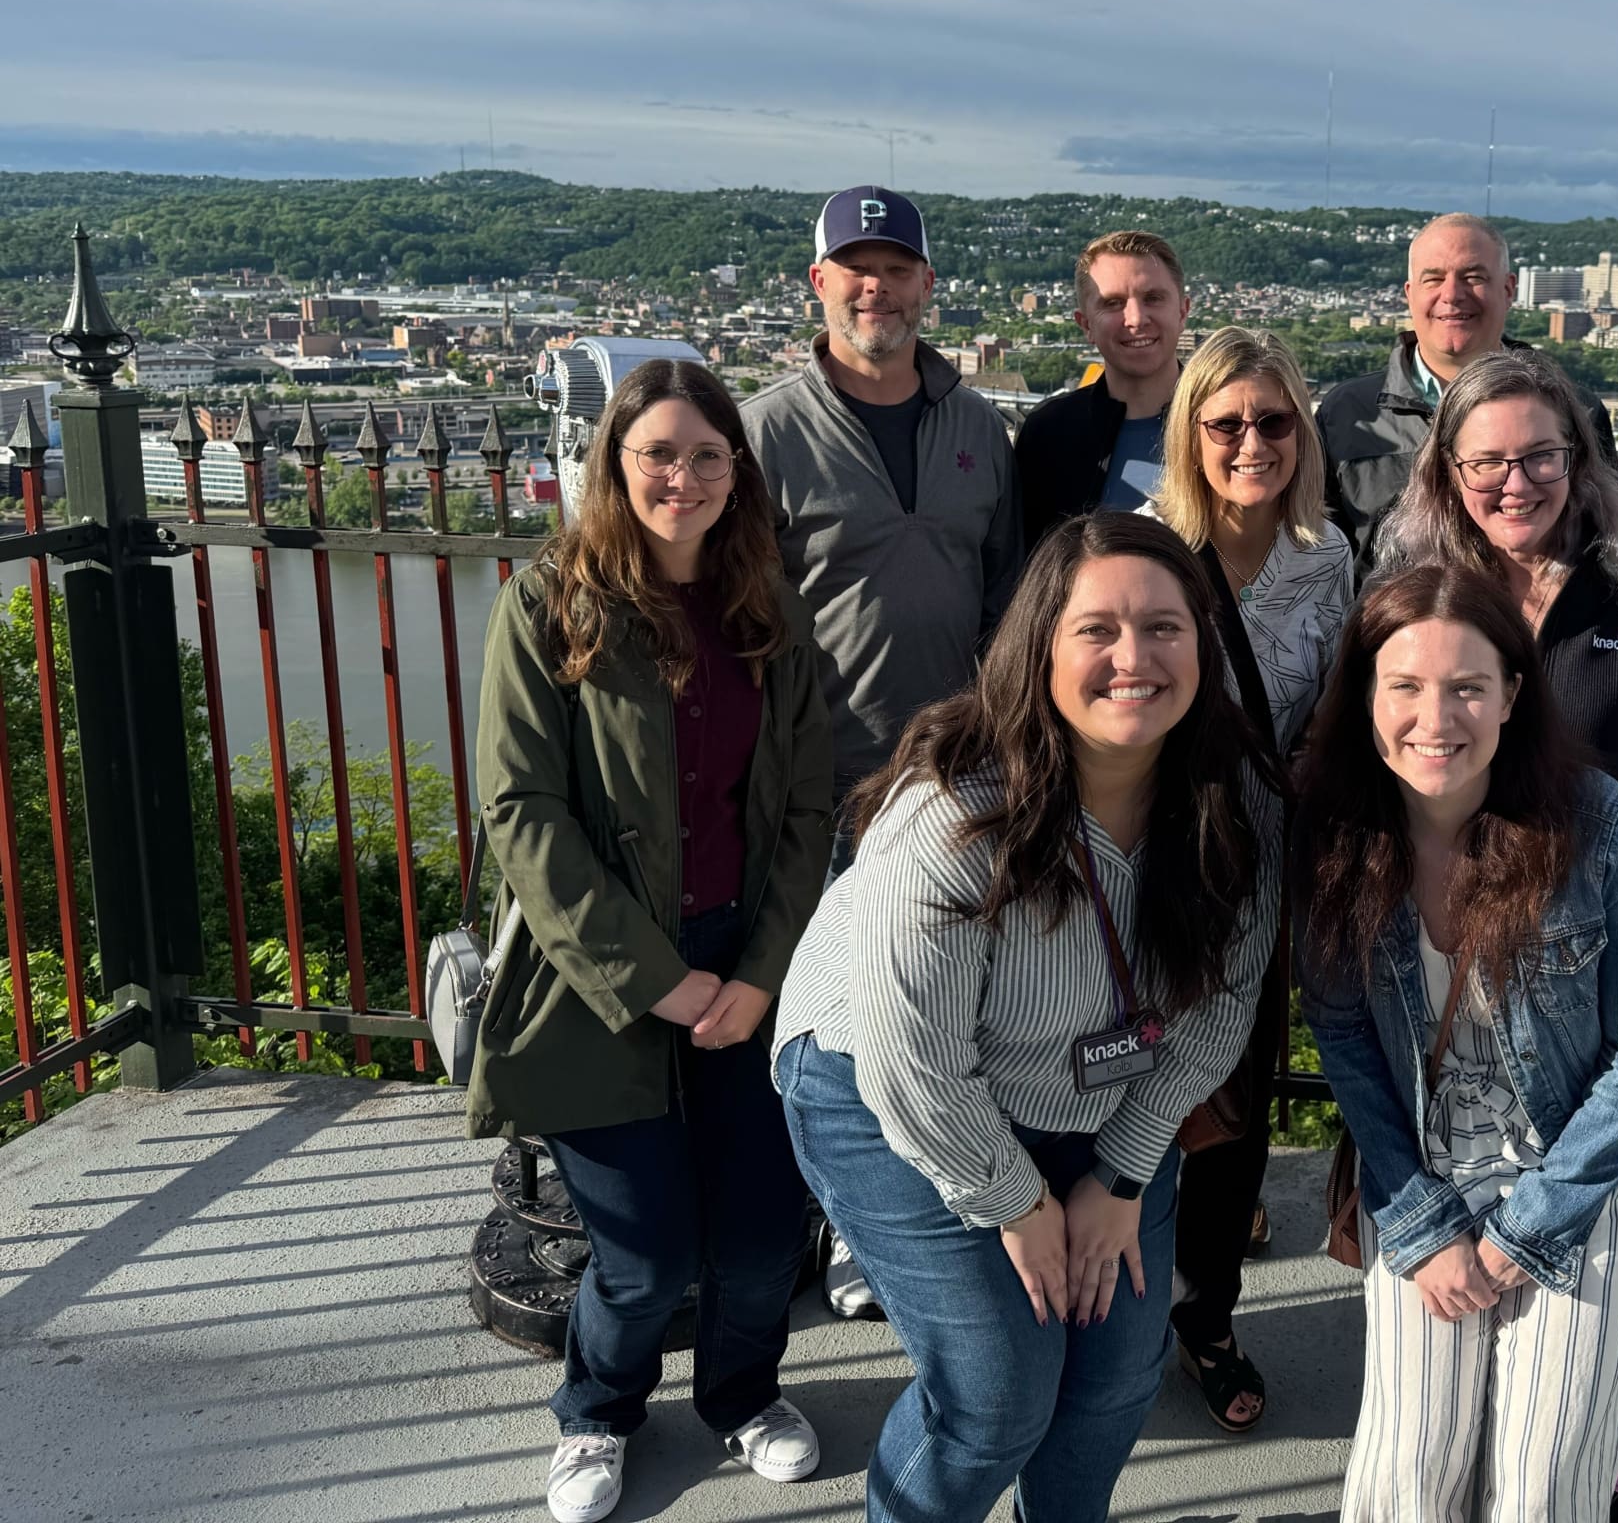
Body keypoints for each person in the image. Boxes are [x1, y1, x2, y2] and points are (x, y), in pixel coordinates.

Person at [771, 513, 1281, 1523]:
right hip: (888, 1094)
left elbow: (1221, 1014)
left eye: (1163, 627)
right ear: (1038, 648)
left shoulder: (1241, 800)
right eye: (1096, 630)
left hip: (1100, 1099)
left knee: (1117, 1372)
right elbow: (914, 1067)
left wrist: (1120, 1177)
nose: (1133, 658)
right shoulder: (951, 815)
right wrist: (1019, 1203)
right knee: (998, 1393)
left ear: (1204, 643)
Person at [468, 359, 836, 1523]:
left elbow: (807, 812)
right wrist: (658, 981)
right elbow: (522, 809)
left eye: (707, 455)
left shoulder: (767, 610)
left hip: (744, 959)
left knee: (763, 1233)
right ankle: (598, 1410)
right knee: (645, 1253)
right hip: (598, 978)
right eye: (659, 454)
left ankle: (743, 1394)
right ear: (614, 465)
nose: (684, 477)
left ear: (738, 470)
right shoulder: (548, 605)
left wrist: (759, 975)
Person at [1379, 348, 1618, 1517]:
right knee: (1458, 1189)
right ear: (1446, 470)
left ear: (1580, 462)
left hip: (1594, 960)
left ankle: (1612, 1413)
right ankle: (1479, 1404)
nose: (1515, 482)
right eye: (1486, 461)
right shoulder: (1419, 588)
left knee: (1602, 1192)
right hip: (1442, 955)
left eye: (1540, 456)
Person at [1297, 565, 1618, 1523]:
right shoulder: (1336, 835)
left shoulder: (1600, 826)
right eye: (1405, 686)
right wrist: (1424, 1229)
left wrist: (1528, 1233)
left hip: (1583, 1164)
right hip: (1423, 1160)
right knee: (1408, 1472)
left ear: (1513, 694)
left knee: (1541, 1480)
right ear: (1367, 696)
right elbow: (1342, 1033)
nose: (1436, 719)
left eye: (1467, 687)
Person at [741, 182, 1023, 1320]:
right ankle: (827, 1215)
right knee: (822, 1018)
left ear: (926, 285)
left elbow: (1006, 595)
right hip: (818, 779)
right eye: (856, 270)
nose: (877, 289)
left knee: (933, 1006)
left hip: (950, 780)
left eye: (897, 269)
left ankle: (900, 1214)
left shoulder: (979, 429)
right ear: (818, 283)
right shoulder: (765, 429)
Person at [1140, 324, 1353, 1432]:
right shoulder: (1144, 549)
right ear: (1190, 432)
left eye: (1274, 421)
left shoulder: (1330, 558)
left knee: (1233, 1107)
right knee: (1127, 1092)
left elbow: (1336, 714)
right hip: (1149, 865)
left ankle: (1204, 1317)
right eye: (1224, 423)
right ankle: (1115, 1315)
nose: (1251, 443)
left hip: (1264, 874)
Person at [1318, 213, 1616, 581]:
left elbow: (1604, 550)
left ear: (1508, 289)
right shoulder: (1347, 414)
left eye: (1473, 277)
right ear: (1410, 294)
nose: (1452, 295)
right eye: (1434, 279)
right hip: (1388, 618)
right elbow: (1321, 560)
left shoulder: (1577, 412)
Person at [1015, 229, 1194, 551]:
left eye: (1153, 298)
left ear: (1183, 312)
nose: (1136, 319)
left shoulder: (1230, 427)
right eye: (1113, 303)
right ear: (1085, 325)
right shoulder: (1049, 435)